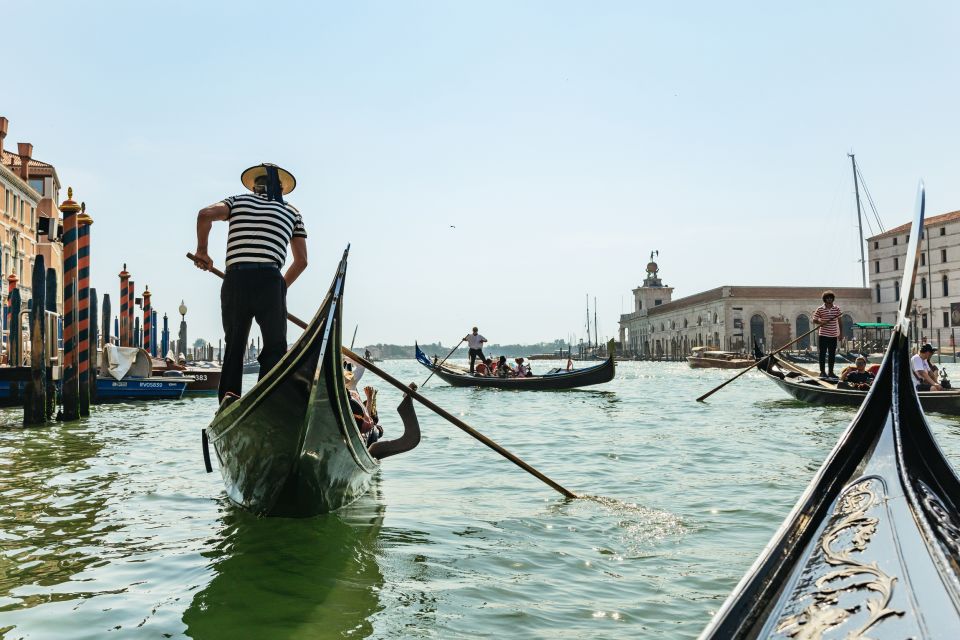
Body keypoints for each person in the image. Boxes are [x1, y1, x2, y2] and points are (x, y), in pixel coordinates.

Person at [193, 163, 308, 403]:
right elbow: (301, 262)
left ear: (255, 187)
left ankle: (229, 399)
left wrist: (202, 251)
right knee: (275, 348)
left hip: (236, 278)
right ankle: (265, 400)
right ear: (281, 190)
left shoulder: (238, 202)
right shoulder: (293, 213)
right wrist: (279, 290)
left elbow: (204, 215)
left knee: (234, 345)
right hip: (271, 279)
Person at [812, 290, 842, 379]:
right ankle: (822, 372)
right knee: (822, 354)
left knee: (832, 354)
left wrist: (840, 334)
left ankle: (831, 373)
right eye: (828, 298)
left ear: (833, 299)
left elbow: (840, 322)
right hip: (823, 335)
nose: (829, 300)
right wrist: (821, 321)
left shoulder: (837, 309)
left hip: (833, 335)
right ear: (824, 299)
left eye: (831, 298)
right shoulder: (820, 309)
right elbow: (814, 319)